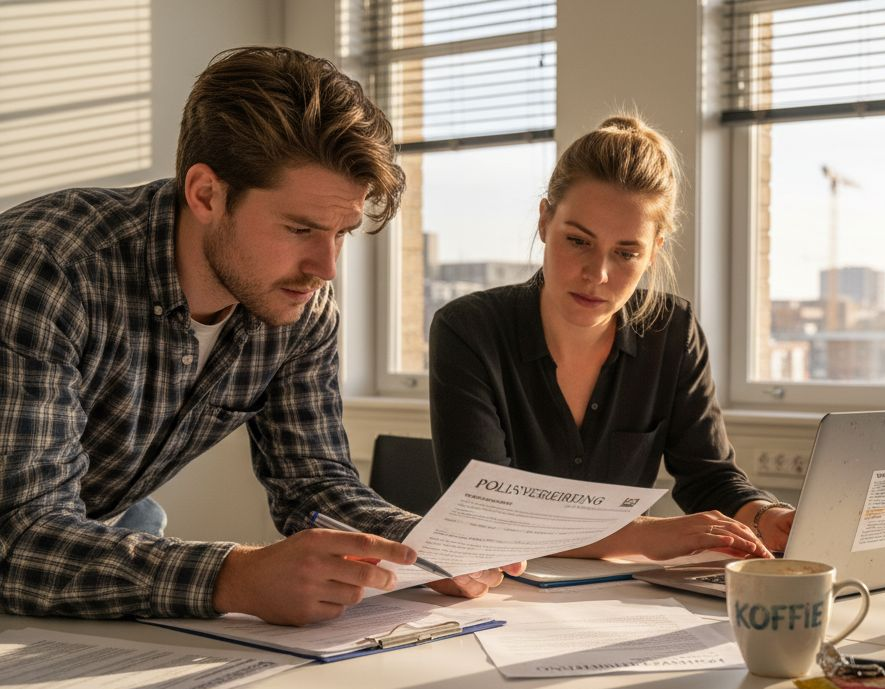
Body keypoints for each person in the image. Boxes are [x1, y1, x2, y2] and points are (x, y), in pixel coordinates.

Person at [0, 46, 520, 626]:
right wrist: (233, 576)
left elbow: (313, 483)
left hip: (98, 535)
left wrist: (421, 546)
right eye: (299, 228)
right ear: (205, 194)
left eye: (342, 232)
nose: (326, 267)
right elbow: (18, 537)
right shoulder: (47, 268)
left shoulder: (298, 304)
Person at [429, 115, 795, 561]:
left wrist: (765, 517)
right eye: (578, 241)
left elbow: (709, 479)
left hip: (619, 598)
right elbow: (488, 516)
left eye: (626, 253)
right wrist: (644, 536)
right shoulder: (468, 330)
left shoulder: (672, 332)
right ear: (545, 221)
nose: (597, 275)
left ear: (655, 249)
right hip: (500, 592)